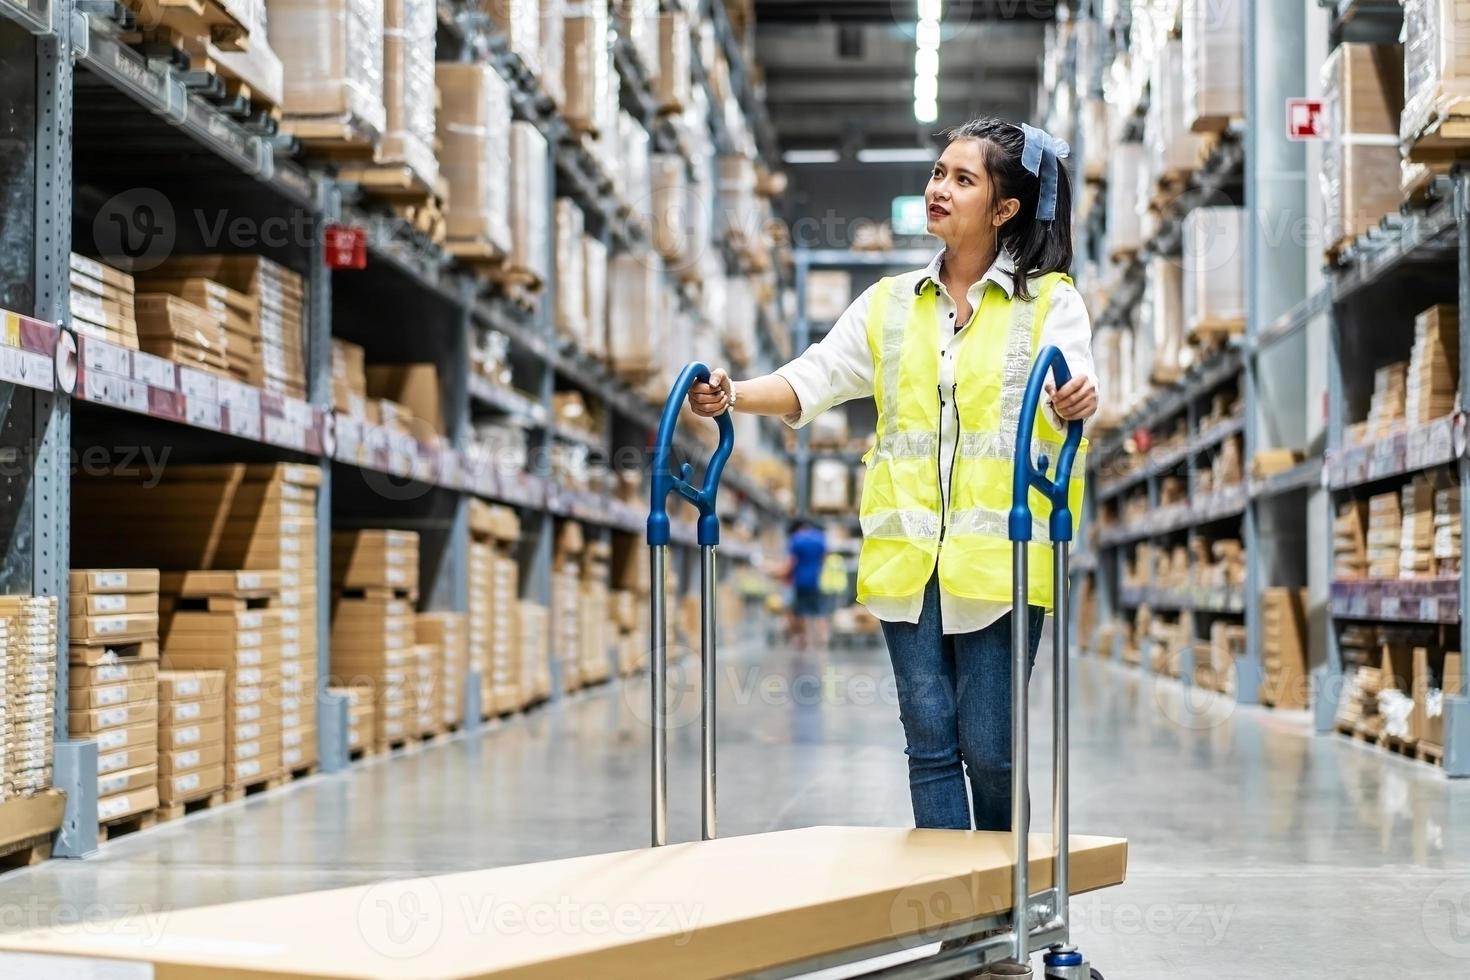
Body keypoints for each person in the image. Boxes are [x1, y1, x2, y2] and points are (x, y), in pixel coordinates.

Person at [688, 118, 1098, 837]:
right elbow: (812, 377)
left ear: (1005, 210)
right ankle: (957, 925)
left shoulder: (1050, 303)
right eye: (939, 171)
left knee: (994, 751)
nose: (939, 188)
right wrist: (733, 393)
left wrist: (1077, 398)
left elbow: (1077, 383)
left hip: (1002, 560)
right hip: (907, 560)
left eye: (962, 179)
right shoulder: (889, 305)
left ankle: (1006, 910)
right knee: (931, 743)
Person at [785, 519, 828, 649]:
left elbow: (791, 563)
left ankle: (805, 639)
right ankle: (823, 638)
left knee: (800, 611)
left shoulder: (796, 540)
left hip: (801, 580)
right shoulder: (820, 538)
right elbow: (823, 558)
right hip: (816, 580)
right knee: (819, 610)